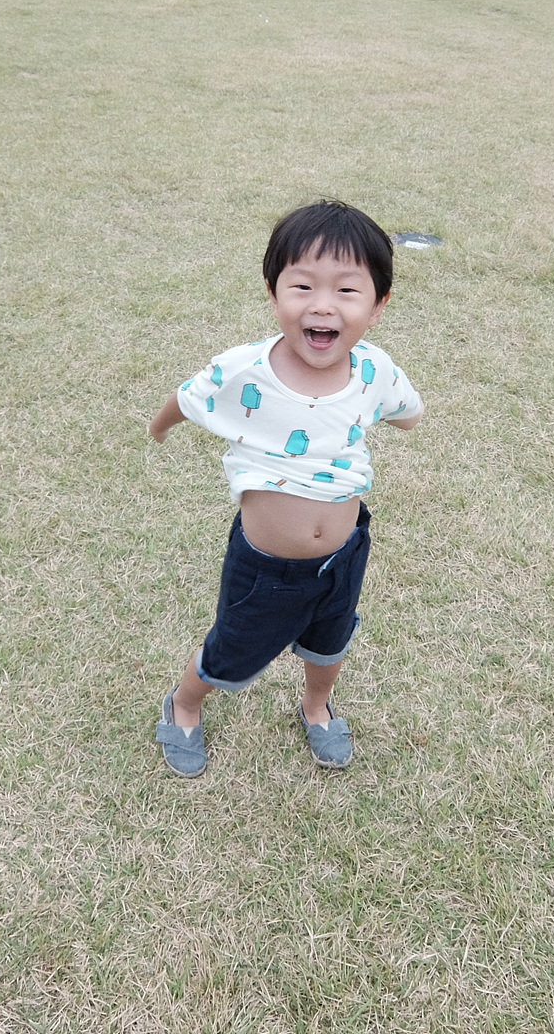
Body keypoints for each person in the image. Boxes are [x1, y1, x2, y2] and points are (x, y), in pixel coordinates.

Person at [150, 200, 424, 778]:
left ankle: (316, 706)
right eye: (302, 286)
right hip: (266, 565)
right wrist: (160, 427)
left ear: (378, 306)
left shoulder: (374, 371)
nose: (322, 304)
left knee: (330, 645)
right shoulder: (245, 369)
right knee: (232, 648)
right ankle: (184, 704)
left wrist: (396, 415)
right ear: (274, 295)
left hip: (344, 554)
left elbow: (408, 413)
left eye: (346, 290)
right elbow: (189, 397)